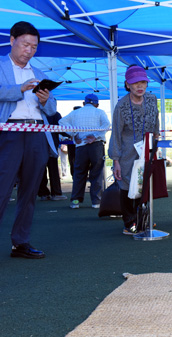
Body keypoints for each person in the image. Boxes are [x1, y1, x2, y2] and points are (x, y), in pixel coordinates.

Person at [0, 21, 57, 259]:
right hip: (9, 133)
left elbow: (52, 109)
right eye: (25, 44)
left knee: (30, 190)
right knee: (2, 189)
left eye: (34, 46)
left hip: (36, 134)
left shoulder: (40, 74)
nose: (29, 50)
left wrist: (45, 101)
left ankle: (20, 242)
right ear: (12, 41)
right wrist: (19, 89)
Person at [109, 65, 160, 235]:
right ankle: (129, 221)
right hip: (127, 151)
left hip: (148, 148)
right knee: (127, 185)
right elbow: (116, 133)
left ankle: (144, 219)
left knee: (146, 184)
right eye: (135, 83)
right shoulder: (121, 106)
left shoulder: (152, 100)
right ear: (127, 84)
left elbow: (156, 123)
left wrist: (156, 142)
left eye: (143, 82)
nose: (140, 86)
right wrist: (115, 160)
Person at [59, 94, 110, 209]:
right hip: (96, 145)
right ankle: (96, 201)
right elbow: (107, 125)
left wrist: (73, 134)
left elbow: (61, 122)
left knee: (79, 173)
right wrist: (95, 136)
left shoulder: (75, 113)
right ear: (97, 104)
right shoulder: (100, 112)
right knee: (96, 173)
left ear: (84, 103)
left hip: (81, 145)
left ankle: (75, 201)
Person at [38, 111, 67, 201]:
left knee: (41, 170)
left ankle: (43, 193)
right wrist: (71, 134)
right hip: (51, 146)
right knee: (53, 170)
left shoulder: (36, 112)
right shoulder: (54, 113)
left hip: (38, 145)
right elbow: (61, 128)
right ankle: (56, 193)